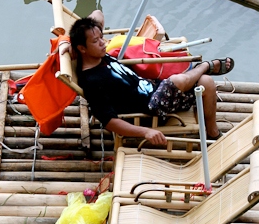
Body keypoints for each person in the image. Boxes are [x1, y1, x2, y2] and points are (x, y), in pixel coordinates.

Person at [68, 11, 234, 145]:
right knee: (176, 81)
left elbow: (98, 14)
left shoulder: (98, 55)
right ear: (82, 48)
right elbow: (110, 122)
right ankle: (203, 66)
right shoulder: (92, 81)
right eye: (96, 41)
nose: (103, 43)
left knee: (207, 82)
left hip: (156, 90)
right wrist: (146, 132)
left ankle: (212, 133)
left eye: (101, 37)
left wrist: (66, 41)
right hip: (149, 111)